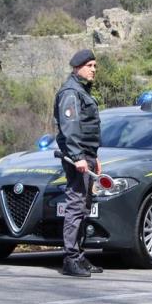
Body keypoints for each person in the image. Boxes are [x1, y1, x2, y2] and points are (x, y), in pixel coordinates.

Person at [55, 49, 104, 277]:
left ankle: (80, 256)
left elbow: (87, 130)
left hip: (87, 156)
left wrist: (94, 158)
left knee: (84, 207)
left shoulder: (81, 91)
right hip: (79, 158)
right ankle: (70, 258)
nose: (94, 69)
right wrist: (78, 158)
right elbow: (70, 128)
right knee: (75, 206)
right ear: (77, 67)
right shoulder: (71, 93)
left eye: (95, 65)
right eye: (90, 65)